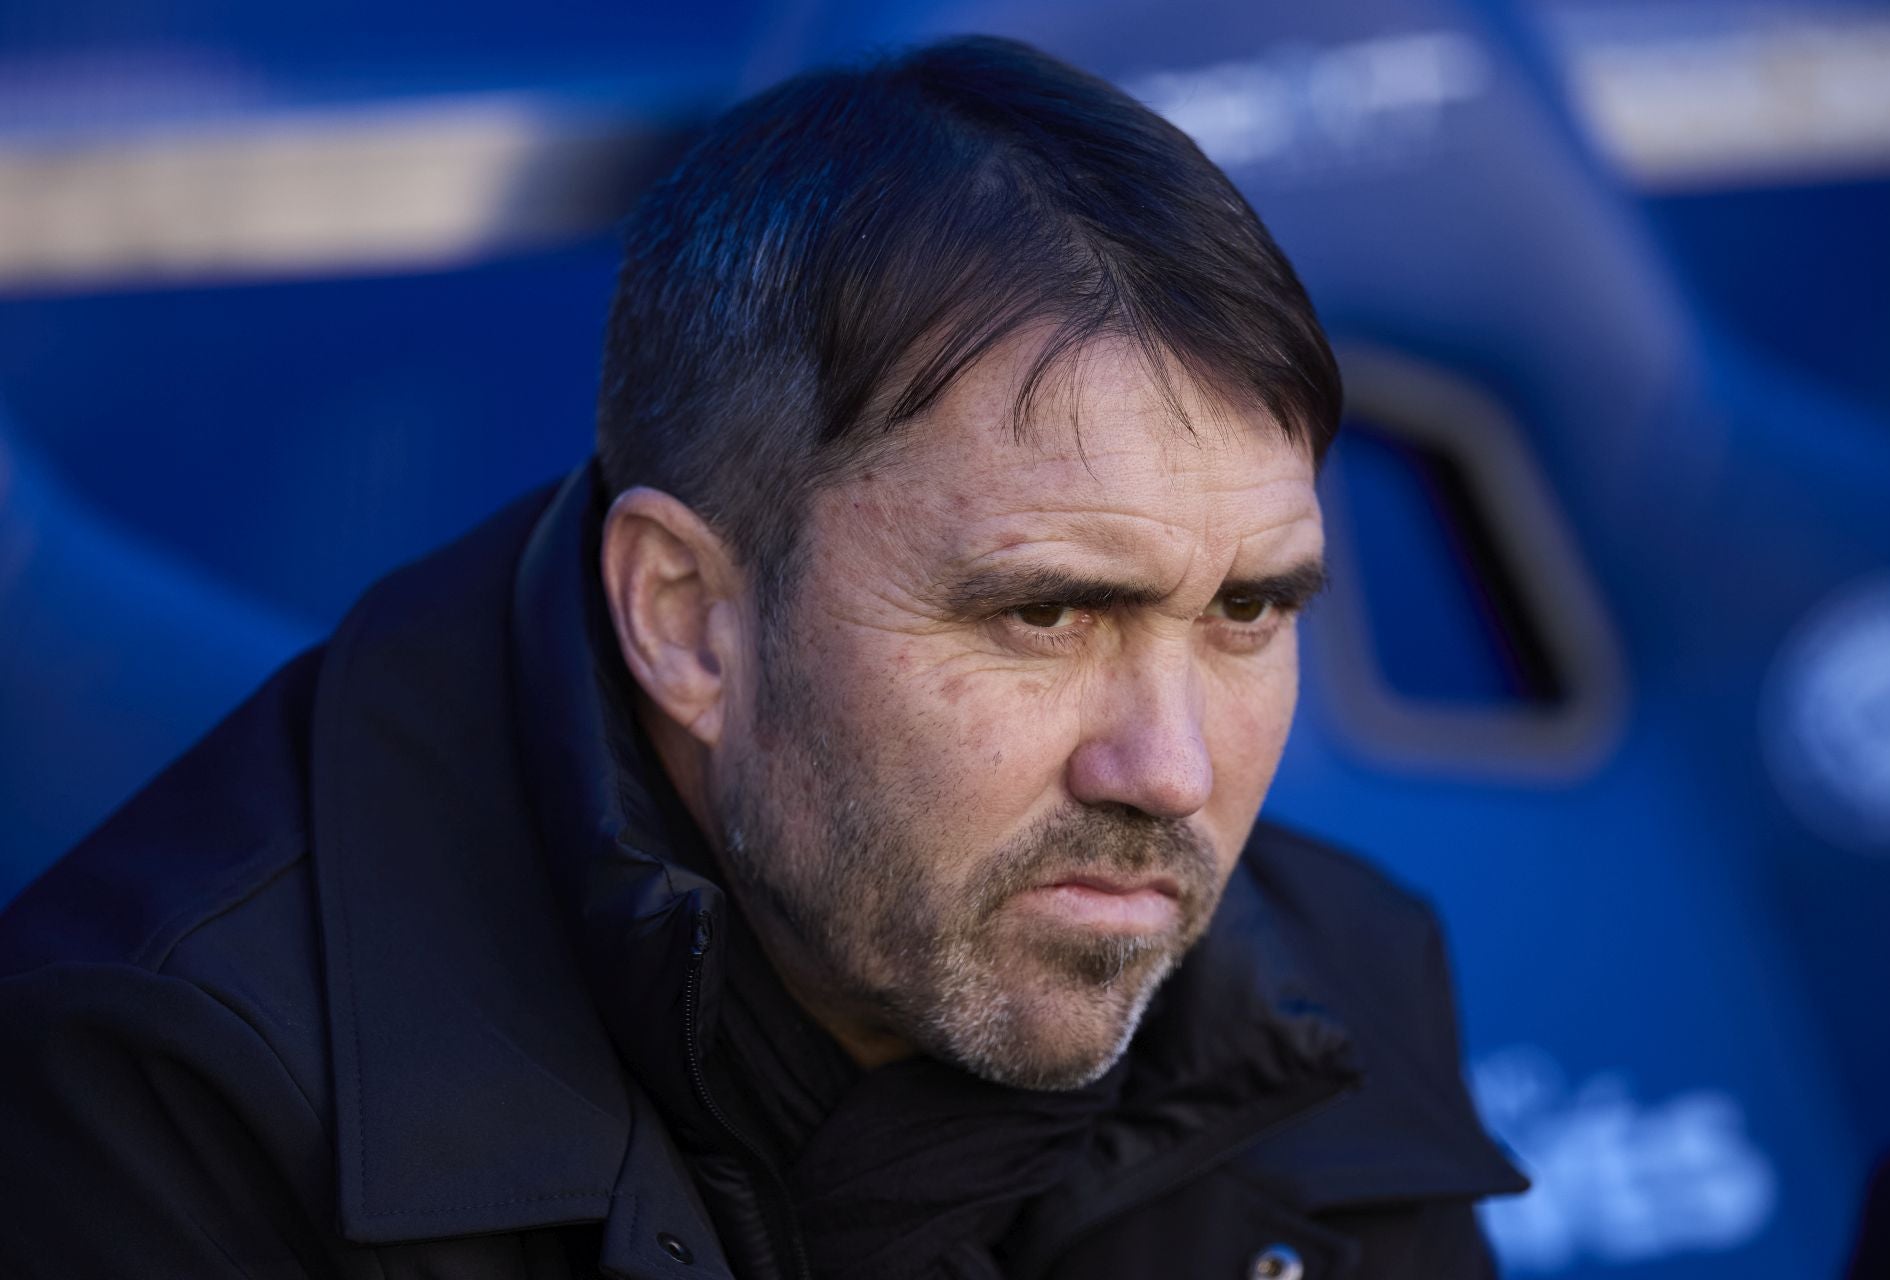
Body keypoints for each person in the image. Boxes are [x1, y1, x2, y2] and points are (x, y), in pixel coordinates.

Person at [0, 36, 1525, 1280]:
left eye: (1248, 612)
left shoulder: (1334, 979)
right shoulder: (171, 1099)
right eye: (1045, 615)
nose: (1170, 769)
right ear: (687, 618)